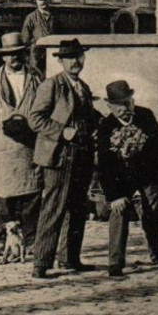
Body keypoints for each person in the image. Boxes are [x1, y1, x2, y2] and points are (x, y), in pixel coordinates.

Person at [28, 38, 100, 278]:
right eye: (69, 57)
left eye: (78, 56)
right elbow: (35, 118)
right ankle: (41, 263)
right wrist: (62, 131)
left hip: (82, 155)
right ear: (60, 61)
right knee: (53, 208)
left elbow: (88, 116)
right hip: (59, 156)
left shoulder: (84, 87)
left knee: (77, 208)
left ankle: (69, 259)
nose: (75, 61)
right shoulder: (51, 85)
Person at [0, 32, 43, 257]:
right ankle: (1, 241)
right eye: (8, 55)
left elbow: (43, 107)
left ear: (24, 54)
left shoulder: (35, 77)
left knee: (32, 195)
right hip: (3, 148)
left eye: (17, 53)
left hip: (29, 145)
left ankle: (32, 241)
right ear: (2, 57)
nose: (13, 58)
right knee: (5, 198)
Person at [97, 79, 158, 278]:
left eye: (129, 101)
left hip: (148, 173)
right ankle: (115, 262)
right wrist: (115, 196)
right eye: (120, 105)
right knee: (119, 212)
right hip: (121, 180)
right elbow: (105, 165)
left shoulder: (146, 115)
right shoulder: (106, 126)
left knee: (154, 211)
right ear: (110, 106)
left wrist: (138, 150)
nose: (126, 108)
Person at [21, 0, 56, 76]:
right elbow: (25, 39)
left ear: (49, 1)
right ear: (36, 2)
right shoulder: (31, 18)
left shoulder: (54, 17)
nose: (43, 2)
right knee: (36, 77)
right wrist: (34, 48)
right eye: (40, 0)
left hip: (52, 53)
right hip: (36, 56)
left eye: (45, 0)